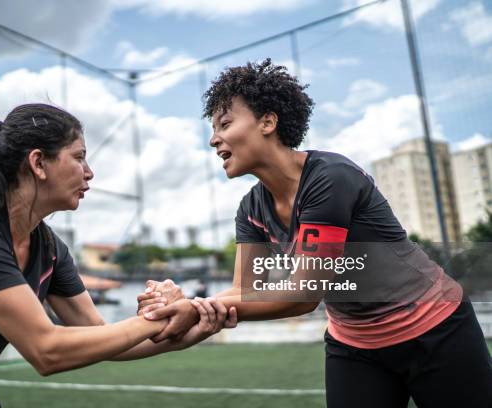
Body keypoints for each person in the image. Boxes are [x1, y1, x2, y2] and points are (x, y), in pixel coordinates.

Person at [138, 59, 492, 407]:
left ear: (267, 121)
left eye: (225, 123)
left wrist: (198, 308)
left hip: (436, 329)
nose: (214, 140)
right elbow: (247, 290)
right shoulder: (250, 209)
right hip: (354, 345)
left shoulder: (330, 177)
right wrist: (195, 305)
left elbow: (305, 294)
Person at [0, 103, 236, 408]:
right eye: (79, 157)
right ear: (38, 163)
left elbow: (98, 336)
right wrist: (158, 319)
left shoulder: (47, 246)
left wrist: (185, 330)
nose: (89, 171)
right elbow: (46, 350)